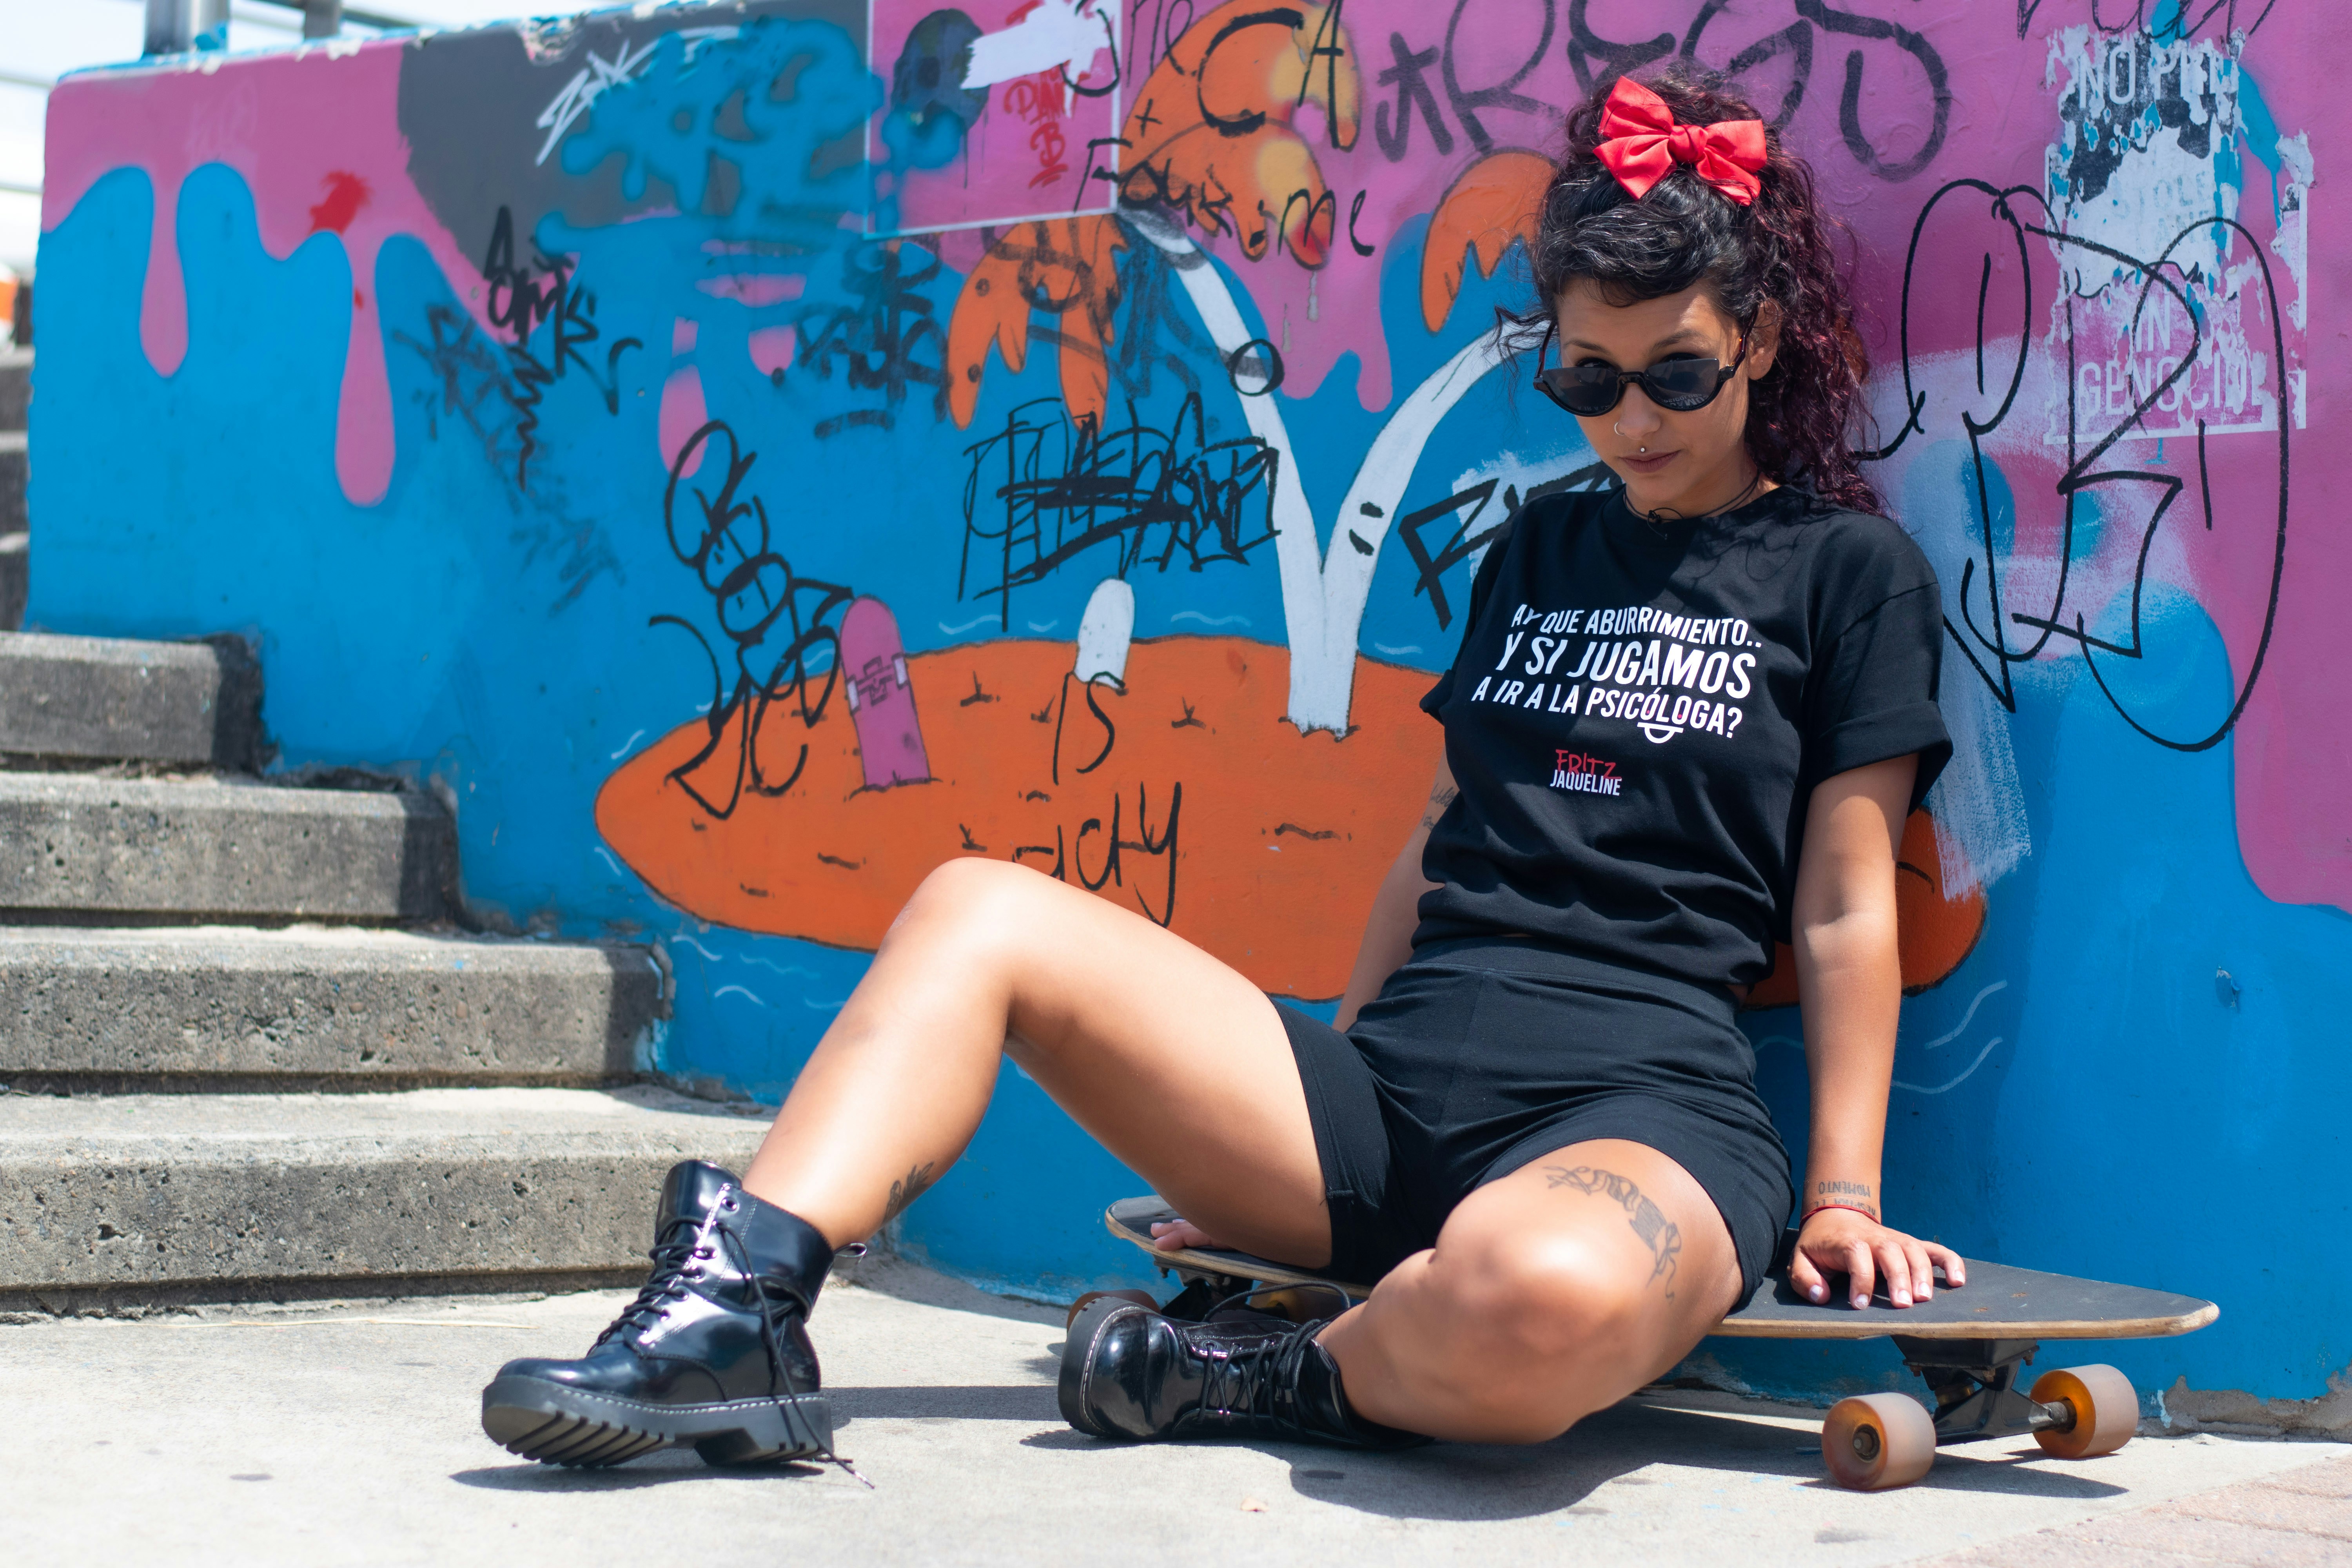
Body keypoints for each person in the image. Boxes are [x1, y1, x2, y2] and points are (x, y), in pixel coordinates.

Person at [478, 65, 1967, 1467]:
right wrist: (1296, 1103)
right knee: (977, 908)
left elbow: (1843, 912)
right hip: (1389, 1104)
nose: (1632, 419)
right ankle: (735, 1319)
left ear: (1761, 341)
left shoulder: (1847, 572)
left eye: (1677, 374)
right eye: (1589, 382)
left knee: (1534, 1302)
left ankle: (1258, 1377)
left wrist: (1845, 1193)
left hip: (1640, 1124)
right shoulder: (1540, 548)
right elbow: (1443, 828)